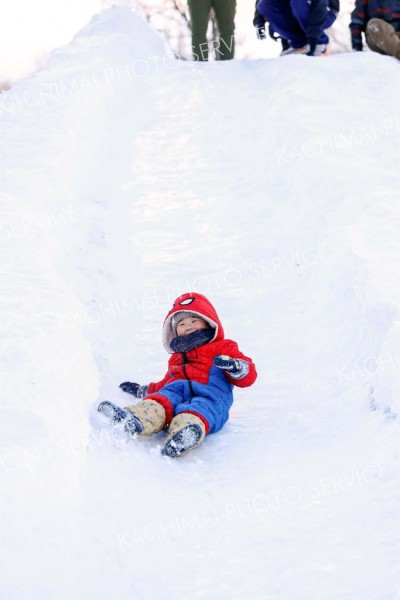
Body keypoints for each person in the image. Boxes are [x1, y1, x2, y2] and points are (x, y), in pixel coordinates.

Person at [98, 292, 257, 458]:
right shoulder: (177, 356)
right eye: (181, 323)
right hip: (176, 393)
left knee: (198, 410)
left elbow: (248, 376)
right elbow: (166, 383)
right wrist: (141, 390)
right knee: (161, 400)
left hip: (210, 397)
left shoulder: (223, 347)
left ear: (208, 322)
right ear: (174, 331)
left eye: (194, 321)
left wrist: (236, 367)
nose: (188, 326)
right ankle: (134, 419)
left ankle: (185, 434)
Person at [254, 0, 340, 56]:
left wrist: (314, 37)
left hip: (325, 10)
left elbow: (320, 5)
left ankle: (318, 44)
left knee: (297, 2)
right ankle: (299, 44)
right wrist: (259, 21)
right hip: (295, 8)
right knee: (265, 4)